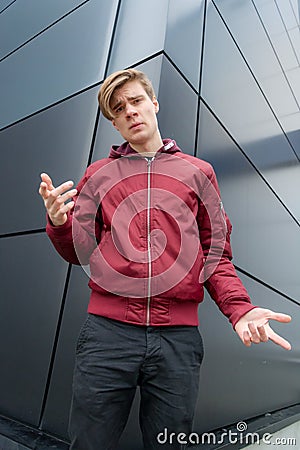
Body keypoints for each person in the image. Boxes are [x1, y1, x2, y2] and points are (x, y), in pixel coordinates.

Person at [39, 69, 292, 450]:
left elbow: (216, 255)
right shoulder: (98, 174)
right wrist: (59, 224)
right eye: (119, 108)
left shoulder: (199, 173)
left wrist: (239, 310)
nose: (130, 112)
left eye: (136, 101)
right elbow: (80, 252)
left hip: (178, 340)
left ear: (153, 104)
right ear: (114, 123)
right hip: (107, 335)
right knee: (90, 443)